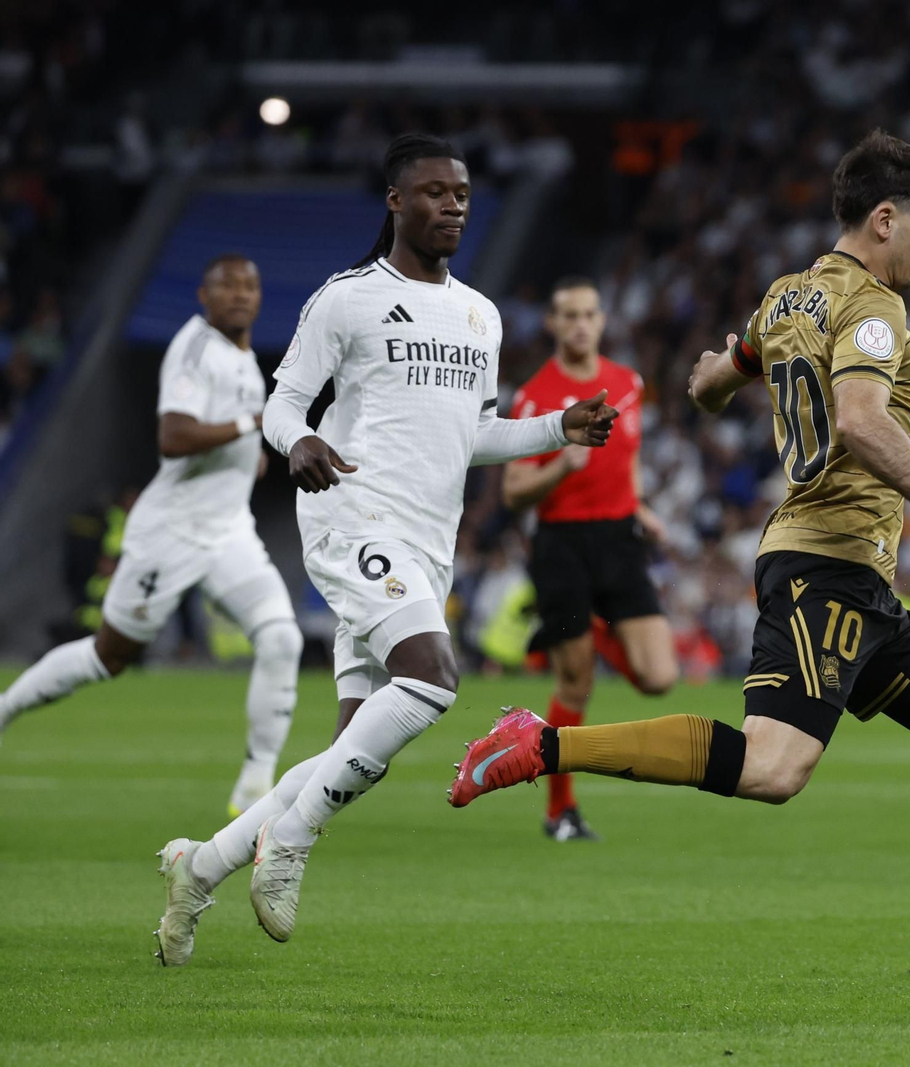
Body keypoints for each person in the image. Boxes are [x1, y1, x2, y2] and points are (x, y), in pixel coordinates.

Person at [450, 131, 910, 960]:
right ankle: (539, 743)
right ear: (883, 219)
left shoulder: (787, 297)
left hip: (854, 580)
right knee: (772, 768)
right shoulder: (875, 307)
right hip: (822, 568)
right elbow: (863, 420)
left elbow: (713, 382)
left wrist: (710, 377)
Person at [150, 134, 616, 965]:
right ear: (396, 202)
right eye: (434, 192)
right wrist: (296, 443)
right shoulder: (348, 298)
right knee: (434, 676)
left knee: (352, 746)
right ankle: (289, 840)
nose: (452, 206)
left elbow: (473, 432)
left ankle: (200, 866)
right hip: (351, 517)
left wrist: (558, 427)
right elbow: (282, 402)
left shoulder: (481, 314)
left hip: (424, 542)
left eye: (462, 194)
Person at [0, 255, 302, 818]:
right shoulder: (194, 348)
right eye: (227, 286)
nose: (240, 294)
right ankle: (4, 709)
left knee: (281, 639)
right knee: (108, 656)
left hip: (230, 530)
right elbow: (175, 435)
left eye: (250, 285)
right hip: (172, 531)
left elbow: (227, 433)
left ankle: (254, 790)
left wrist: (248, 457)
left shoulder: (242, 357)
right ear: (203, 296)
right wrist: (250, 427)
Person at [502, 276, 678, 841]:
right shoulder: (536, 396)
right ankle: (560, 812)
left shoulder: (627, 384)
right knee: (575, 684)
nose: (579, 324)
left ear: (602, 321)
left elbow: (627, 458)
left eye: (588, 314)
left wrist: (642, 506)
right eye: (568, 315)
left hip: (620, 538)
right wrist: (560, 466)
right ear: (552, 324)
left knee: (659, 677)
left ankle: (592, 632)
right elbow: (513, 491)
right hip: (562, 544)